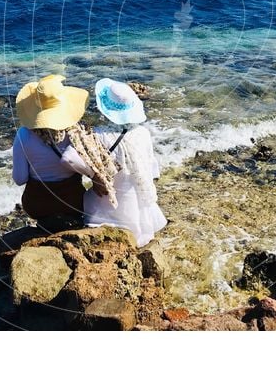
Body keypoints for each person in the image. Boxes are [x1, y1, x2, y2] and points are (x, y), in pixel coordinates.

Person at [13, 74, 108, 232]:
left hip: (37, 205)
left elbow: (20, 179)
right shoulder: (76, 133)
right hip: (74, 202)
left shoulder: (24, 135)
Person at [84, 78, 167, 247]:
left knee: (88, 197)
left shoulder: (99, 135)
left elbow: (72, 160)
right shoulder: (143, 132)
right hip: (139, 204)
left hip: (109, 202)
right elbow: (152, 169)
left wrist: (94, 177)